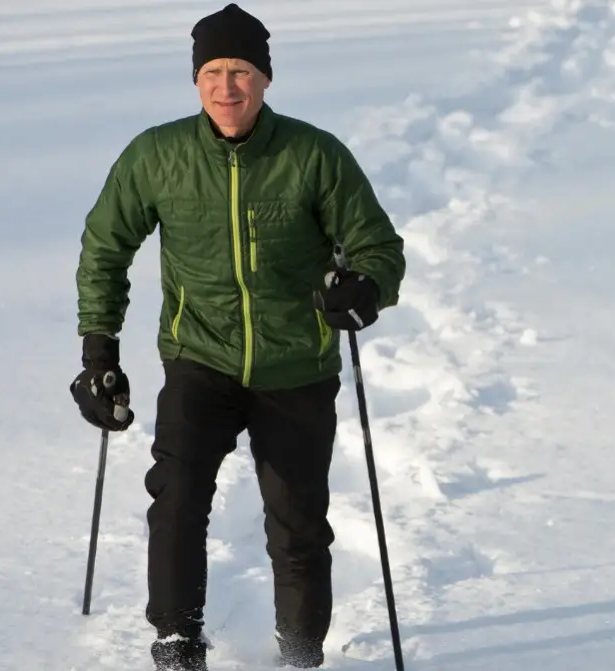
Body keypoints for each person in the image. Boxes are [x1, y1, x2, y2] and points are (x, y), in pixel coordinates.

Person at [67, 4, 406, 669]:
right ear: (196, 80)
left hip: (297, 365)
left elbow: (376, 245)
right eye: (215, 72)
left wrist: (363, 288)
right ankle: (176, 641)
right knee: (177, 496)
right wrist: (97, 351)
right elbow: (105, 247)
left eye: (242, 72)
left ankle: (300, 653)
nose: (228, 88)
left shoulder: (313, 154)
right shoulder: (157, 155)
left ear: (266, 79)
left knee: (298, 524)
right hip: (201, 357)